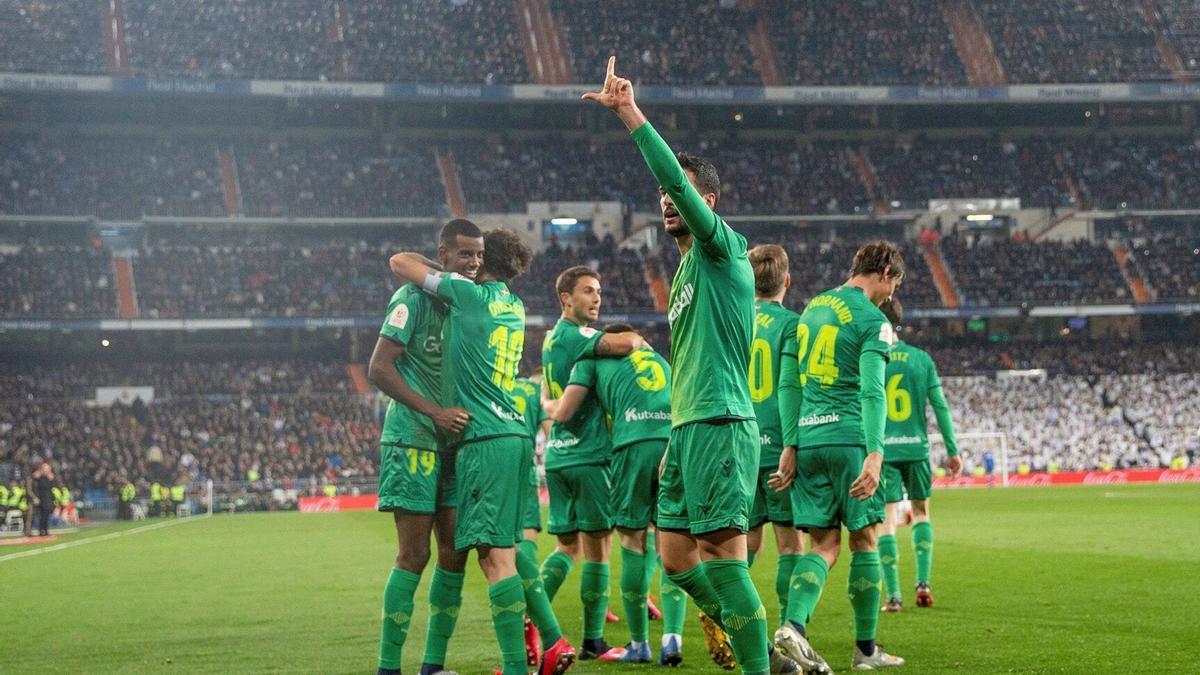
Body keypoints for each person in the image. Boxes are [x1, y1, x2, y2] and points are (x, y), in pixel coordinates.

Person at [583, 57, 797, 675]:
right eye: (664, 199)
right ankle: (742, 626)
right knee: (676, 559)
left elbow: (676, 183)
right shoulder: (683, 271)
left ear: (707, 201)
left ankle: (766, 663)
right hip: (686, 427)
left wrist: (628, 114)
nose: (668, 203)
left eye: (681, 195)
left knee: (725, 562)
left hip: (720, 424)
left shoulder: (721, 246)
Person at [390, 227, 576, 675]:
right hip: (514, 436)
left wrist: (446, 268)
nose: (470, 262)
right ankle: (549, 644)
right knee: (507, 552)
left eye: (476, 256)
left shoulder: (465, 295)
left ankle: (518, 666)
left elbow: (400, 262)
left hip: (483, 438)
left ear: (483, 260)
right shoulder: (514, 303)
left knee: (495, 560)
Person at [774, 241, 906, 672]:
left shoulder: (811, 308)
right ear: (885, 271)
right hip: (849, 438)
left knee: (823, 544)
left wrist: (791, 444)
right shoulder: (873, 319)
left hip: (808, 441)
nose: (892, 295)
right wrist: (874, 453)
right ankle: (866, 651)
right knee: (864, 539)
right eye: (895, 284)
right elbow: (872, 390)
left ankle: (793, 626)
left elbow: (789, 384)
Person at [370, 218, 480, 675]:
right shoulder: (411, 299)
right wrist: (434, 411)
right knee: (415, 554)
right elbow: (378, 368)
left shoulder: (471, 304)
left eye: (479, 255)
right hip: (413, 438)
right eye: (464, 254)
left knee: (455, 554)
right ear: (444, 254)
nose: (473, 263)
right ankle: (388, 667)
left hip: (457, 445)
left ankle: (433, 665)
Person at [545, 323, 681, 664]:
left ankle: (638, 645)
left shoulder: (592, 359)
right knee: (673, 544)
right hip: (675, 443)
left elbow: (566, 411)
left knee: (630, 541)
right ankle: (672, 639)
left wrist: (543, 402)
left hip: (630, 445)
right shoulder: (658, 359)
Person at [538, 265, 644, 661]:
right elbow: (624, 345)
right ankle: (593, 641)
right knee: (598, 549)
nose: (596, 298)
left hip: (559, 456)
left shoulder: (549, 340)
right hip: (589, 456)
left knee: (567, 547)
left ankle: (530, 617)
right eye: (587, 291)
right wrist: (636, 337)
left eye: (598, 291)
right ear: (566, 298)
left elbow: (552, 400)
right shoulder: (577, 336)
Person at [876, 298, 962, 612]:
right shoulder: (921, 359)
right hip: (916, 449)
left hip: (883, 451)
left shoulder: (872, 358)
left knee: (885, 521)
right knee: (921, 512)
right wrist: (952, 450)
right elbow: (940, 406)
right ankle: (923, 584)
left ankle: (894, 596)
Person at [744, 245, 807, 626]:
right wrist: (791, 443)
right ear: (787, 281)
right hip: (775, 444)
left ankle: (733, 622)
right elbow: (789, 388)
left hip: (737, 443)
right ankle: (788, 628)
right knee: (790, 545)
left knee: (745, 542)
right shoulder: (791, 324)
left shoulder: (732, 317)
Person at [510, 370, 571, 669]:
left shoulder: (479, 380)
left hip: (489, 466)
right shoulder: (532, 392)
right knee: (524, 560)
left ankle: (521, 659)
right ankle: (542, 635)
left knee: (498, 563)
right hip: (525, 476)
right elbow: (551, 434)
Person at [32, 459, 55, 536]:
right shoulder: (39, 477)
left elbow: (51, 487)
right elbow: (35, 484)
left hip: (48, 499)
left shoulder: (49, 478)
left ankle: (45, 529)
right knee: (43, 516)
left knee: (46, 515)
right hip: (42, 498)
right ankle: (42, 530)